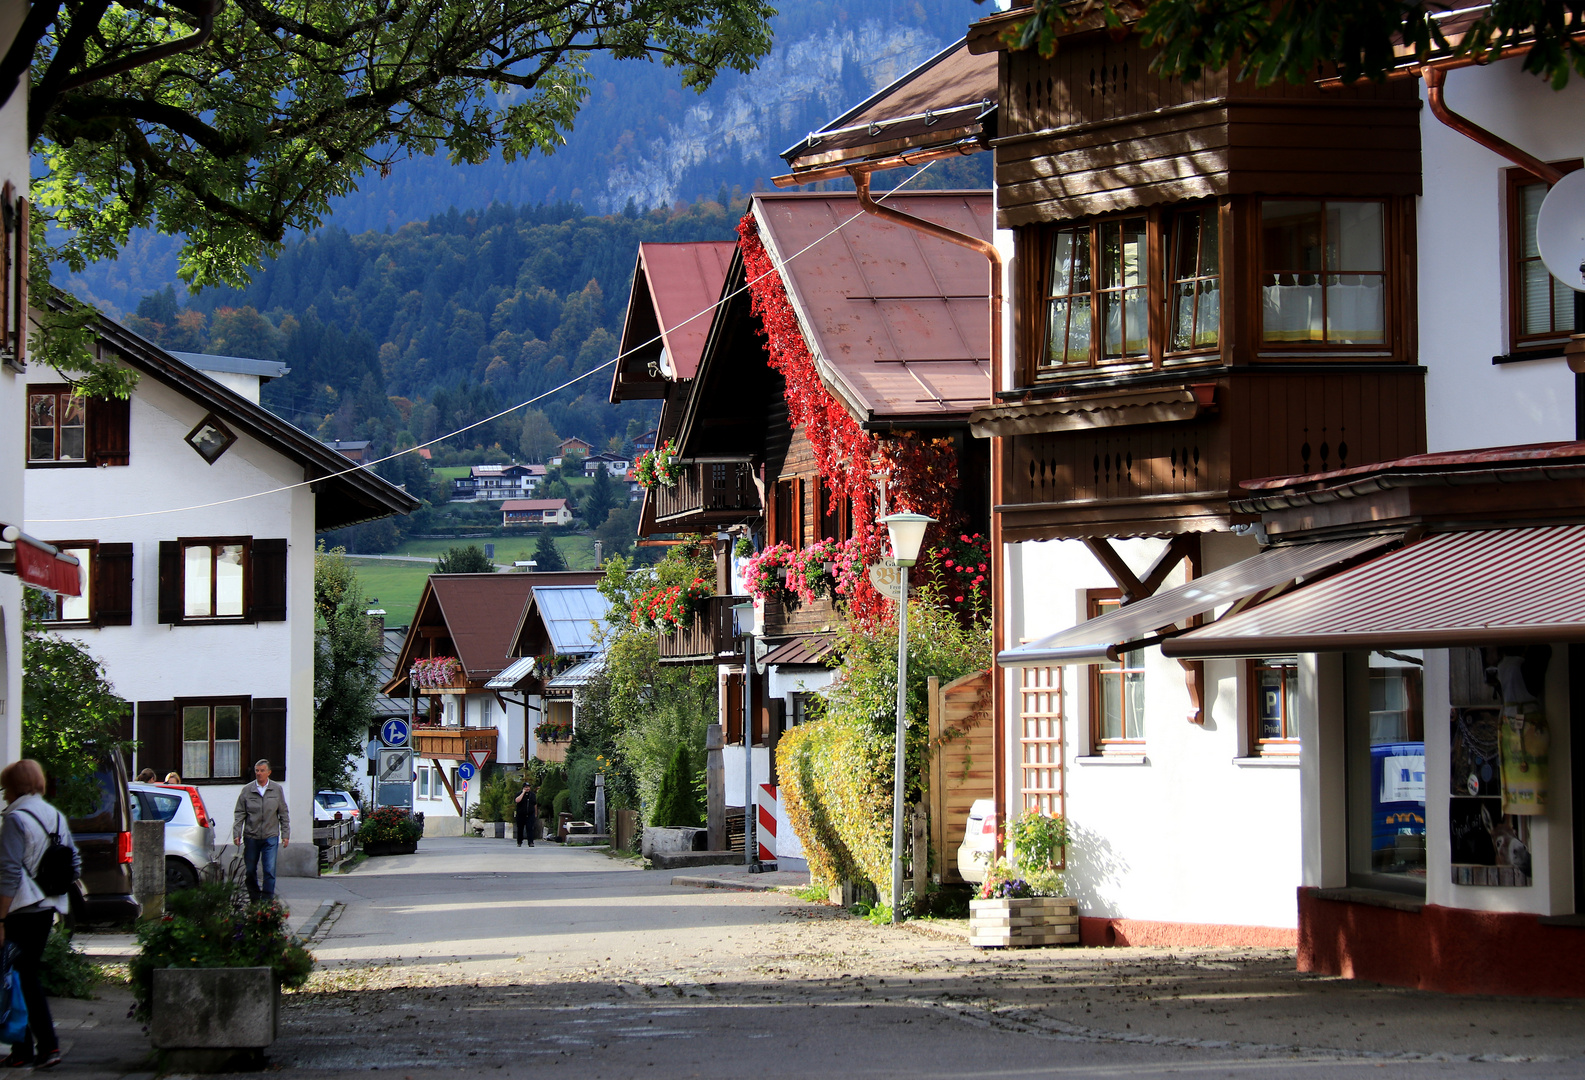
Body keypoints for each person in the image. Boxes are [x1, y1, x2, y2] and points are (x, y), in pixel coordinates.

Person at [0, 759, 80, 1070]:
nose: (4, 794)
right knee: (23, 975)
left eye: (5, 787)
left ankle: (44, 1047)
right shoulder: (54, 816)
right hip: (49, 906)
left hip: (21, 908)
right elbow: (73, 864)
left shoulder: (16, 819)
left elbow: (7, 873)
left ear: (14, 787)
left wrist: (1, 919)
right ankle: (27, 1048)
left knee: (21, 977)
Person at [232, 759, 290, 902]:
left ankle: (266, 902)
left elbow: (283, 813)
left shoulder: (276, 790)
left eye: (262, 771)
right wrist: (237, 832)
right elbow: (240, 813)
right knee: (250, 870)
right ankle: (254, 898)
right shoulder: (247, 790)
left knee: (269, 870)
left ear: (269, 772)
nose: (259, 773)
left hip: (270, 836)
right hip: (251, 836)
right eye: (257, 771)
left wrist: (285, 834)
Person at [514, 780, 537, 847]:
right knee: (520, 829)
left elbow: (535, 804)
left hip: (530, 814)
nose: (527, 788)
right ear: (523, 788)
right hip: (521, 814)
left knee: (530, 828)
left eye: (528, 787)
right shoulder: (519, 794)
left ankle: (530, 842)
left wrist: (535, 814)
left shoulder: (532, 795)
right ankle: (519, 842)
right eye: (526, 787)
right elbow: (517, 801)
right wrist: (523, 793)